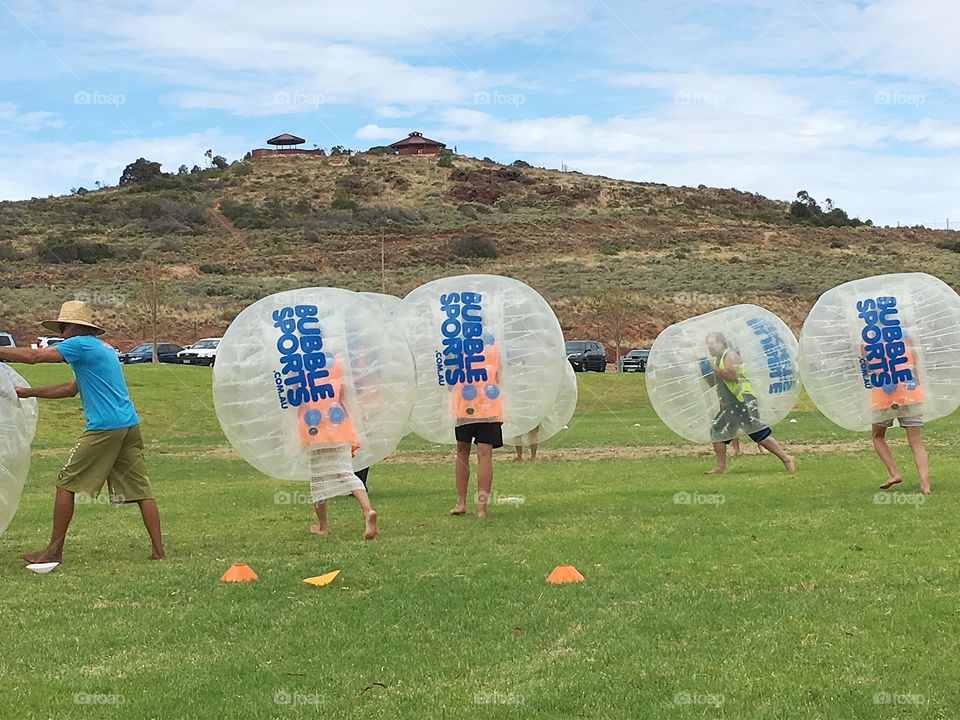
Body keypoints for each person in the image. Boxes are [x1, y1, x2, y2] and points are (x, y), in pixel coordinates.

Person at [0, 300, 164, 562]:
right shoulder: (102, 348)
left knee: (65, 484)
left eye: (63, 327)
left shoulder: (80, 344)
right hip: (129, 425)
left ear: (74, 326)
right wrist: (28, 393)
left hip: (105, 428)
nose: (60, 334)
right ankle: (158, 552)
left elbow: (35, 356)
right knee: (140, 490)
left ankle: (54, 552)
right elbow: (71, 388)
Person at [297, 352, 377, 540]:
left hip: (313, 425)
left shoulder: (298, 364)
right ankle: (367, 511)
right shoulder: (338, 363)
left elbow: (296, 397)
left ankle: (322, 526)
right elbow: (347, 394)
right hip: (339, 422)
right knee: (346, 472)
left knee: (318, 478)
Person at [702, 332, 795, 476]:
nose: (709, 347)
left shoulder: (731, 356)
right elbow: (716, 383)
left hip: (742, 400)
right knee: (717, 431)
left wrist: (714, 369)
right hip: (731, 403)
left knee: (758, 434)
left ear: (721, 343)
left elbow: (732, 376)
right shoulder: (718, 359)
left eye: (711, 344)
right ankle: (720, 467)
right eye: (708, 344)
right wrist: (707, 374)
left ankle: (786, 458)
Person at [450, 336, 503, 518]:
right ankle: (481, 507)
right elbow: (499, 374)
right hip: (490, 402)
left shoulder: (457, 341)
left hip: (464, 403)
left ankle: (461, 502)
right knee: (485, 454)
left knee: (462, 451)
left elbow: (450, 372)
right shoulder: (494, 344)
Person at [870, 345, 929, 494]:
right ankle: (925, 484)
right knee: (916, 441)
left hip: (883, 395)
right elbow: (917, 368)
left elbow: (865, 368)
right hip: (910, 393)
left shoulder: (870, 343)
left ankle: (894, 474)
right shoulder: (908, 343)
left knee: (878, 436)